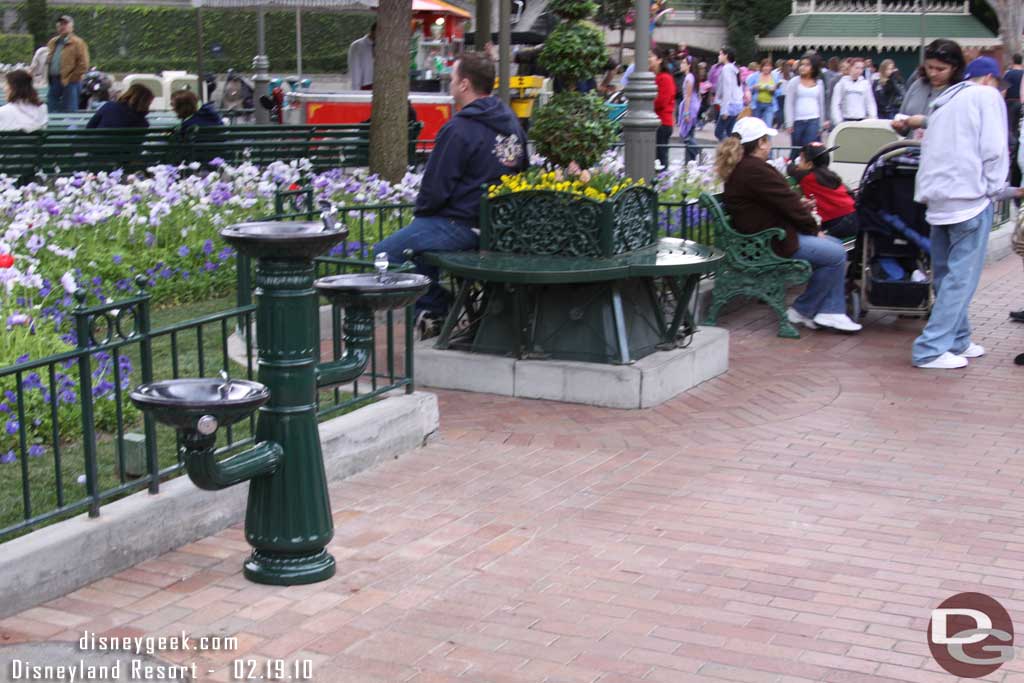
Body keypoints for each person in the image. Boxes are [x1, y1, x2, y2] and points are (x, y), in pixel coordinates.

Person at [373, 52, 528, 338]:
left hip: (462, 223)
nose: (451, 85)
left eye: (453, 79)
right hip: (501, 227)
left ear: (465, 84)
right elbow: (524, 170)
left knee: (386, 254)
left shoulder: (458, 129)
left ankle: (440, 306)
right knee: (416, 245)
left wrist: (422, 217)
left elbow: (435, 190)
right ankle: (433, 312)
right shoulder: (512, 124)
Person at [893, 56, 1020, 369]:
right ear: (991, 78)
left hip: (938, 198)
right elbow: (994, 148)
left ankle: (958, 339)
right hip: (968, 198)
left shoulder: (945, 100)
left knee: (947, 274)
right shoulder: (986, 96)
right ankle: (932, 347)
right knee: (960, 280)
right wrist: (993, 188)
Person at [716, 116, 862, 333]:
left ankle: (820, 310)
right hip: (770, 242)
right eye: (767, 140)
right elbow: (788, 204)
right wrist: (813, 229)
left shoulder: (747, 167)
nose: (770, 145)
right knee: (835, 254)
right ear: (761, 143)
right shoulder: (755, 169)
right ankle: (817, 310)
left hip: (765, 236)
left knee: (833, 248)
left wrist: (801, 209)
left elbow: (781, 202)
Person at [788, 142, 858, 239]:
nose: (798, 163)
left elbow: (792, 171)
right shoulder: (830, 174)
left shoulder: (806, 177)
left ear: (809, 165)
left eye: (801, 159)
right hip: (852, 215)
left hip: (840, 221)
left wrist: (788, 163)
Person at [899, 38, 965, 117]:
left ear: (954, 68)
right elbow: (902, 114)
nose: (933, 74)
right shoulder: (917, 85)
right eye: (929, 67)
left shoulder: (961, 93)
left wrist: (924, 123)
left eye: (940, 69)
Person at [46, 15, 89, 113]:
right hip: (54, 80)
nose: (62, 26)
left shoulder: (78, 42)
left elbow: (84, 65)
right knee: (51, 109)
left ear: (72, 27)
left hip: (71, 82)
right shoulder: (53, 42)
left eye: (65, 24)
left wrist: (72, 78)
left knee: (70, 110)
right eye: (60, 24)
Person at [784, 55, 828, 148]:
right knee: (796, 150)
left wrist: (821, 124)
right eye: (802, 64)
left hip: (813, 120)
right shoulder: (794, 82)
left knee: (809, 149)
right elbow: (789, 103)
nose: (803, 67)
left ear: (813, 68)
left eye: (807, 65)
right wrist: (789, 123)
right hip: (797, 121)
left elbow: (821, 104)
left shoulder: (819, 83)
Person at [830, 58, 877, 124]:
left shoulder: (865, 84)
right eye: (856, 68)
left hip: (861, 119)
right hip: (846, 120)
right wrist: (838, 121)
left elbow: (870, 102)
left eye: (861, 68)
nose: (859, 71)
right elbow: (835, 104)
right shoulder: (841, 84)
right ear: (850, 68)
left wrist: (873, 117)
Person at [86, 84, 153, 128]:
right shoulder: (143, 123)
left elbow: (89, 127)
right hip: (125, 150)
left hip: (97, 148)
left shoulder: (109, 106)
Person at [652, 47, 676, 170]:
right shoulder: (654, 77)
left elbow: (661, 101)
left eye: (650, 56)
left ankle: (662, 182)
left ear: (659, 60)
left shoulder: (665, 78)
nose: (647, 59)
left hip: (662, 122)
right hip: (655, 121)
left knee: (660, 156)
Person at [713, 46, 743, 141]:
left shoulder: (726, 69)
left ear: (726, 55)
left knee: (718, 132)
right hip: (736, 104)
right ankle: (735, 150)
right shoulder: (734, 68)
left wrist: (724, 110)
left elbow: (727, 89)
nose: (719, 56)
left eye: (720, 54)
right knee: (730, 131)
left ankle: (732, 150)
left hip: (729, 105)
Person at [677, 57, 701, 162]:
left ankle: (699, 153)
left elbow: (688, 96)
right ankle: (689, 162)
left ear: (689, 65)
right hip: (693, 106)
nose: (681, 64)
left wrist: (686, 113)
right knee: (690, 133)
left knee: (686, 135)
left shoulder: (688, 78)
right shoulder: (692, 77)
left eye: (683, 62)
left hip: (690, 107)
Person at [748, 59, 778, 125]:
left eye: (768, 66)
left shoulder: (775, 76)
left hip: (769, 104)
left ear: (771, 67)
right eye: (765, 66)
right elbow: (747, 87)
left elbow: (778, 91)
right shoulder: (755, 76)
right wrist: (754, 87)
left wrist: (774, 89)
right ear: (761, 67)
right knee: (756, 126)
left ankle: (768, 135)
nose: (766, 68)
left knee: (768, 126)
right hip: (757, 104)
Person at [348, 22, 375, 90]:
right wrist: (356, 90)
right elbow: (355, 68)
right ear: (372, 31)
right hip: (365, 85)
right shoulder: (357, 45)